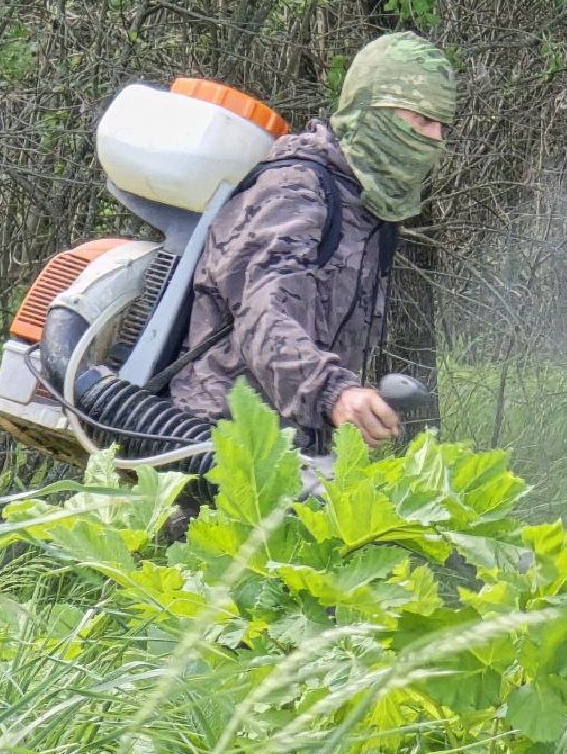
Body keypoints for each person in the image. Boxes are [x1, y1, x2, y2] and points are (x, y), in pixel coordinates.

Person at [165, 31, 455, 452]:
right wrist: (335, 393)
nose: (435, 139)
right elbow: (264, 313)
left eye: (443, 126)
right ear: (372, 110)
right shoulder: (295, 188)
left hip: (293, 452)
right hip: (217, 445)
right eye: (422, 120)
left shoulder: (365, 211)